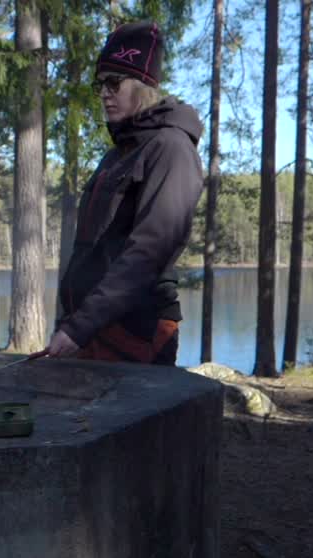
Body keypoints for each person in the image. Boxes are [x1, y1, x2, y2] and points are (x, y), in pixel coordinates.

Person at [45, 20, 204, 365]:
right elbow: (90, 250)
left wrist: (78, 328)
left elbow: (149, 252)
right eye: (100, 84)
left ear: (144, 84)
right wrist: (71, 322)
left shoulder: (171, 148)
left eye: (114, 82)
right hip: (93, 328)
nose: (105, 93)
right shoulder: (118, 154)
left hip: (136, 332)